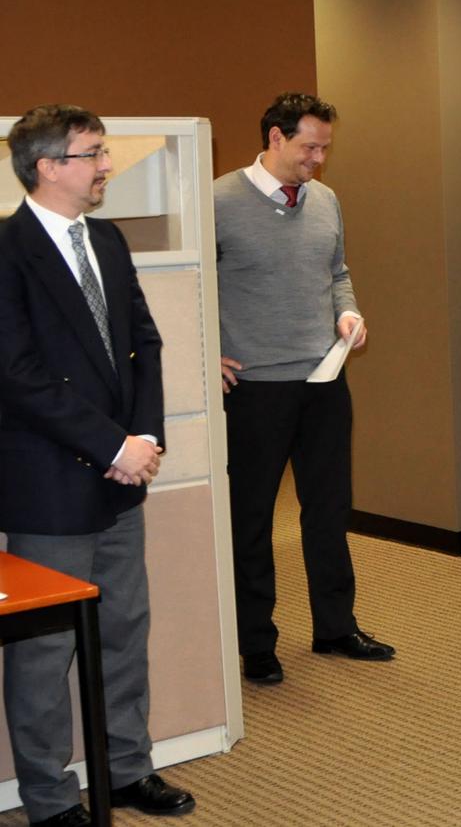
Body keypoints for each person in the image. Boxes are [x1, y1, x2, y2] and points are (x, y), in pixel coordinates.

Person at [0, 105, 196, 826]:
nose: (107, 165)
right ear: (48, 166)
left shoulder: (106, 240)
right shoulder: (7, 250)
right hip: (48, 486)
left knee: (123, 629)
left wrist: (141, 441)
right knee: (44, 652)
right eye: (93, 154)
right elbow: (17, 374)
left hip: (120, 478)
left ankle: (126, 769)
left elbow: (144, 343)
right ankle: (50, 799)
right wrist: (112, 446)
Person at [215, 93, 394, 685]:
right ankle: (256, 642)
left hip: (324, 380)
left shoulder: (325, 200)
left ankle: (335, 627)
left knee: (328, 511)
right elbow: (190, 287)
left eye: (325, 148)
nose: (319, 159)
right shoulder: (218, 201)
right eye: (309, 147)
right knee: (251, 520)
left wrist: (347, 313)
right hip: (254, 388)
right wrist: (203, 353)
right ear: (275, 137)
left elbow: (337, 272)